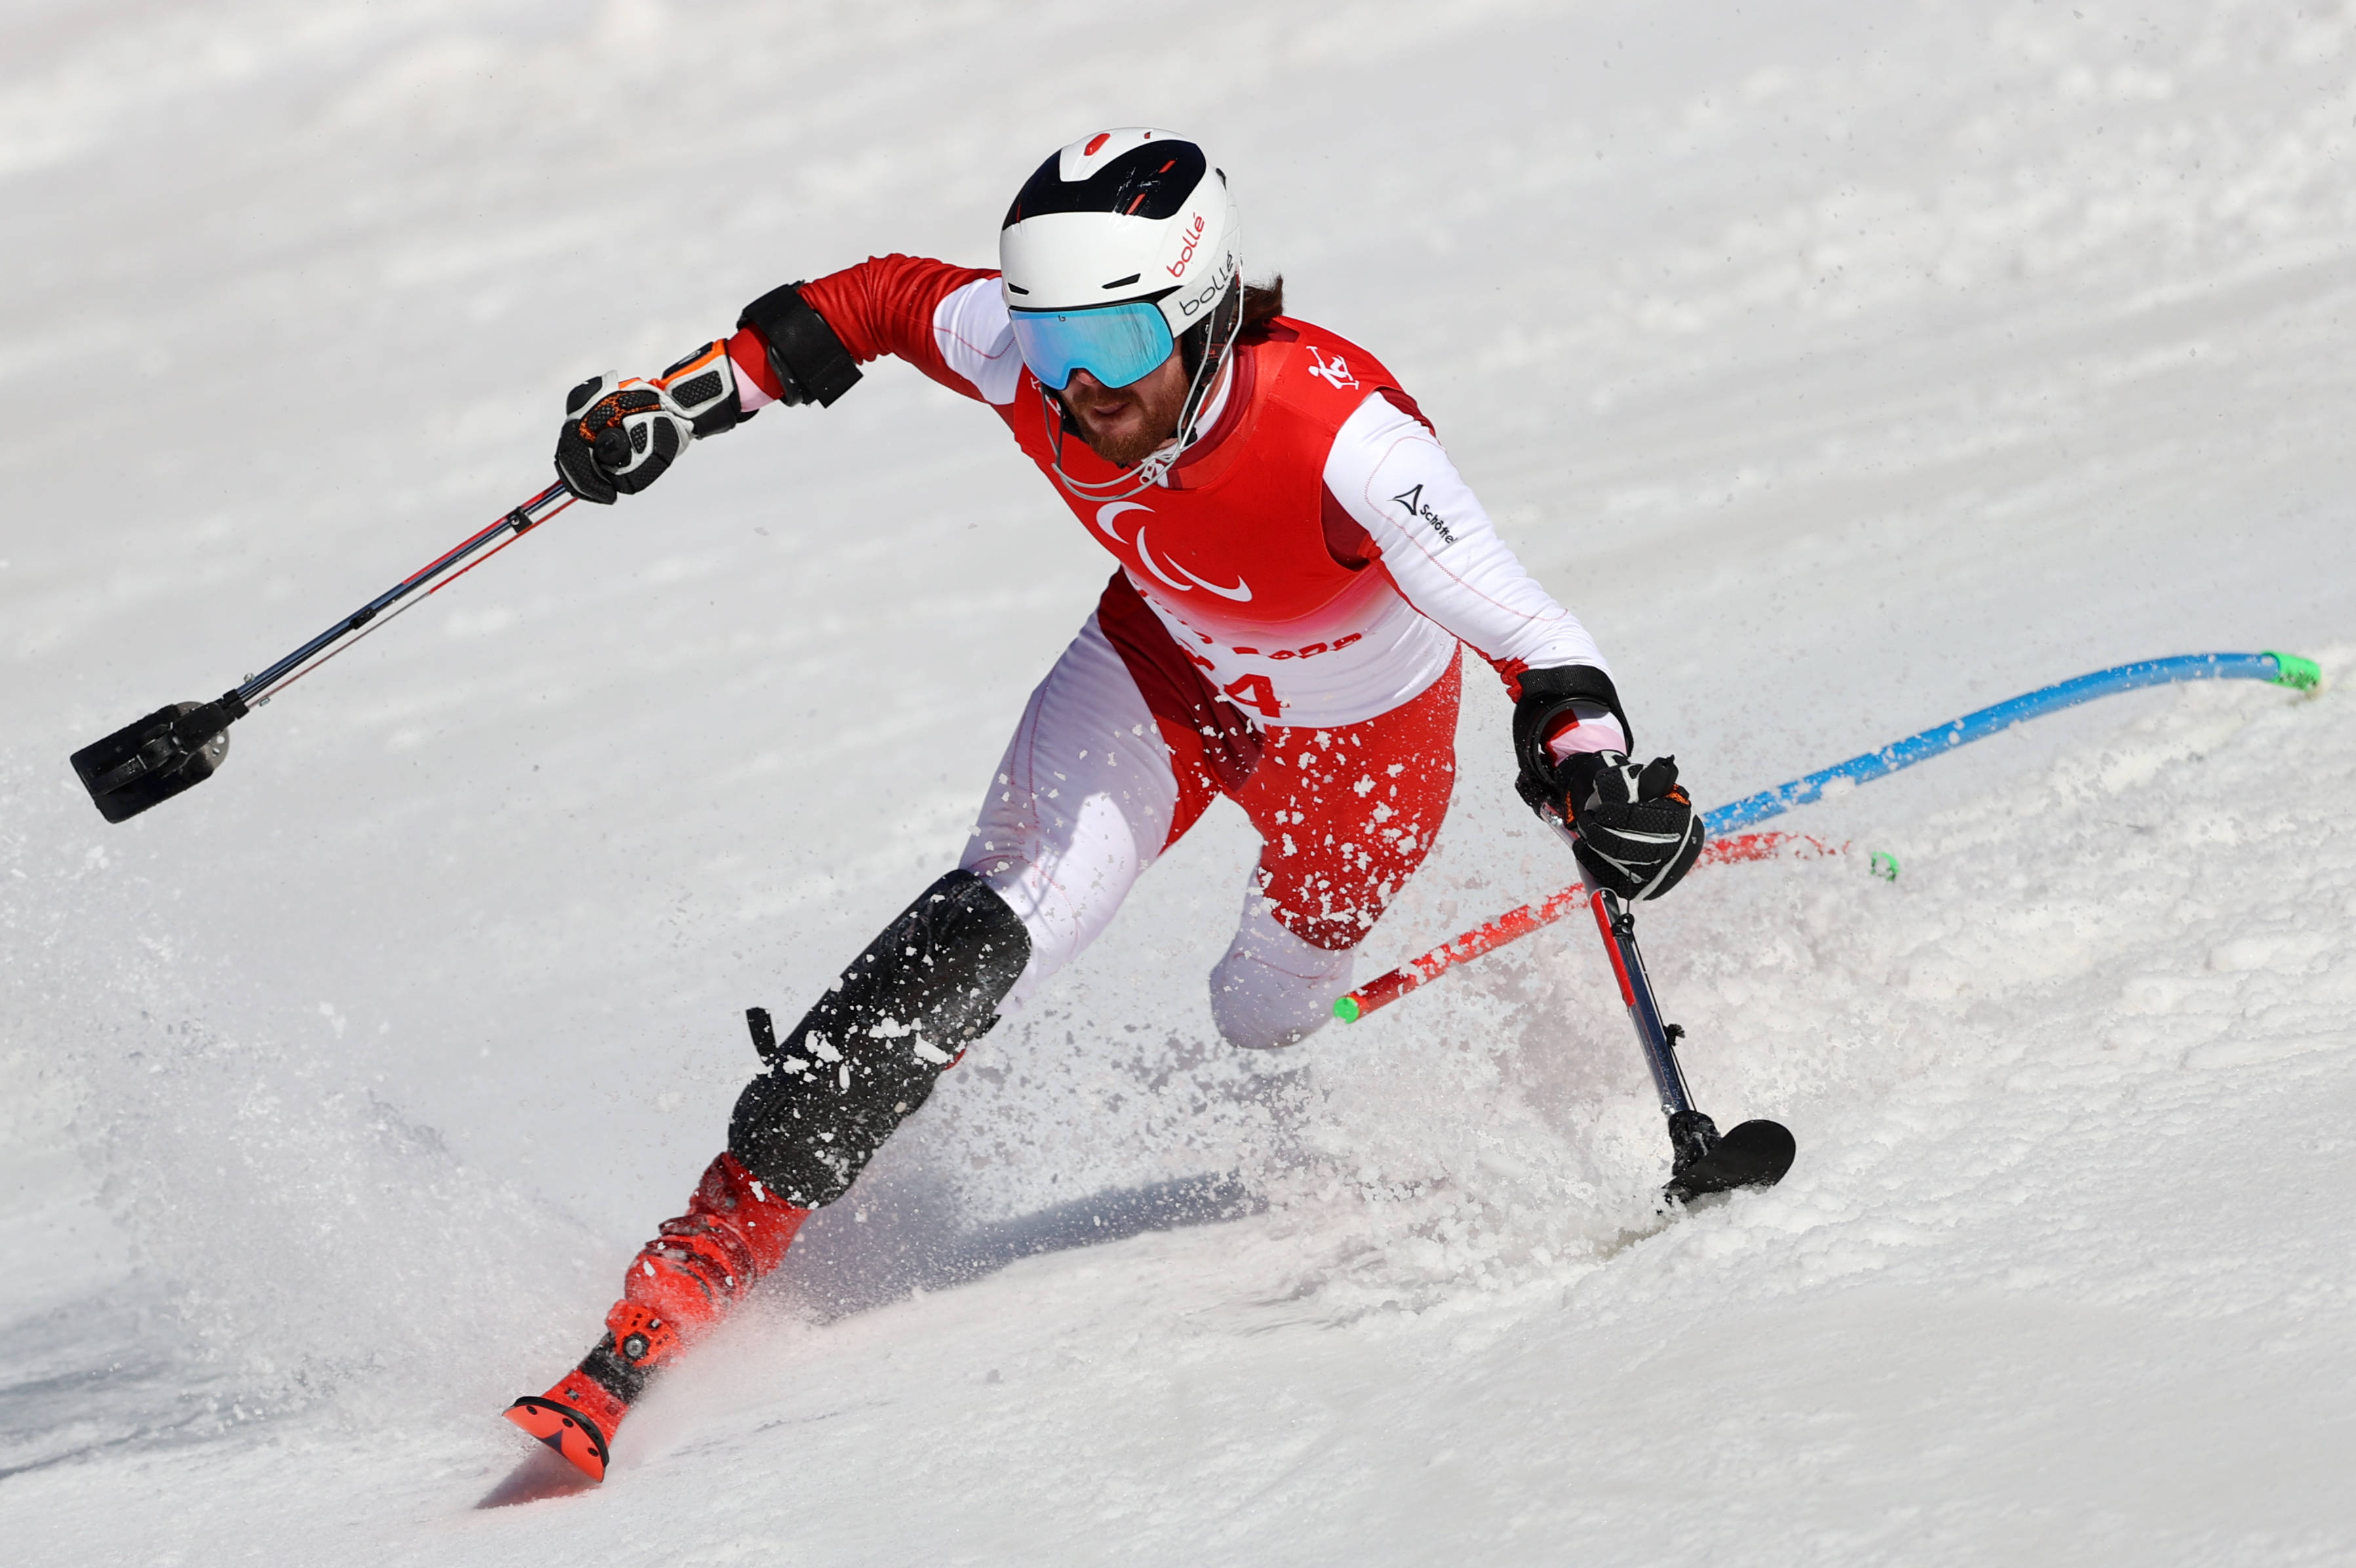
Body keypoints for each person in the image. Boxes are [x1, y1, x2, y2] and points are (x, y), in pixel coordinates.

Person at [504, 128, 1706, 1480]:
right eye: (1050, 335)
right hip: (1166, 673)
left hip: (1363, 756)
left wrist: (1596, 769)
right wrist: (701, 389)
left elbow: (1534, 635)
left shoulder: (1345, 434)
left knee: (1259, 1015)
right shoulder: (1036, 362)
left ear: (1202, 312)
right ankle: (706, 1250)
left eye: (1118, 343)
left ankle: (1306, 984)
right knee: (992, 919)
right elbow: (881, 301)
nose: (1079, 387)